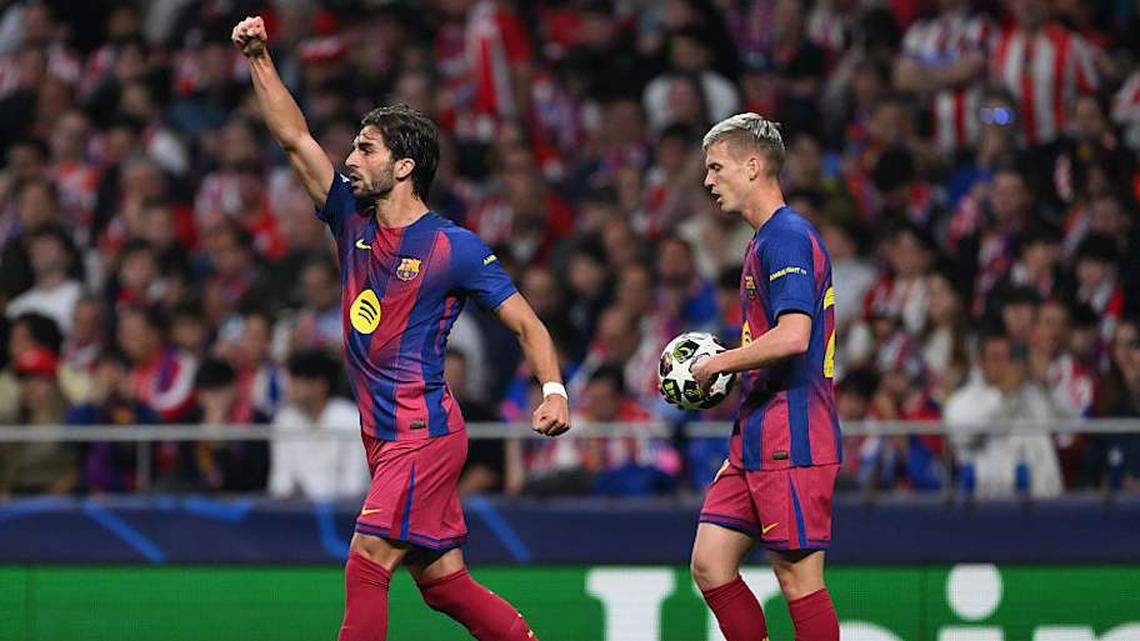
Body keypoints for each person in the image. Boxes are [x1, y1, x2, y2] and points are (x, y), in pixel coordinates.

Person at [232, 16, 571, 641]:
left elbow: (528, 324)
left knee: (366, 563)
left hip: (423, 431)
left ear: (405, 165)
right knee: (444, 585)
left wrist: (553, 391)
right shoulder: (349, 217)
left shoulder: (454, 246)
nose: (350, 159)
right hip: (383, 436)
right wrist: (259, 58)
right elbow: (292, 137)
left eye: (366, 149)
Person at [690, 113, 841, 641]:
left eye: (716, 168)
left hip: (794, 432)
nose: (708, 181)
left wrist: (717, 364)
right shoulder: (763, 241)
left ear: (753, 166)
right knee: (710, 563)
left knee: (798, 578)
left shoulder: (787, 237)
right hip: (757, 432)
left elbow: (795, 335)